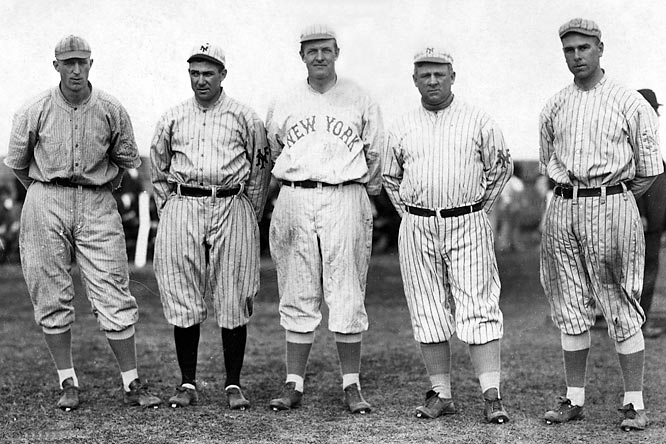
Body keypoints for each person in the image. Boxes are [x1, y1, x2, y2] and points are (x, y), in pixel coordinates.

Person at [3, 35, 162, 410]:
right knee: (50, 288)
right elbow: (18, 163)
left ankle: (131, 382)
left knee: (112, 287)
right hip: (45, 196)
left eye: (82, 62)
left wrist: (101, 189)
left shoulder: (109, 107)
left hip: (95, 199)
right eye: (68, 62)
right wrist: (44, 190)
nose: (76, 69)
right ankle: (67, 382)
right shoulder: (35, 108)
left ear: (91, 63)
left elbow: (126, 159)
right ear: (55, 65)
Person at [539, 19, 662, 431]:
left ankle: (633, 402)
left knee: (621, 303)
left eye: (584, 48)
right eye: (569, 49)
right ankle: (574, 398)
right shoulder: (555, 104)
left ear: (600, 48)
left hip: (611, 203)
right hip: (563, 204)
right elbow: (547, 164)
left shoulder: (630, 102)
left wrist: (616, 200)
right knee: (569, 305)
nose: (576, 56)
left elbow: (647, 170)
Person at [383, 46, 513, 423]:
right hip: (419, 223)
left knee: (478, 305)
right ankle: (442, 393)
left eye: (440, 73)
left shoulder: (478, 121)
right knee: (427, 309)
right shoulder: (402, 125)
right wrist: (410, 214)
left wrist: (477, 208)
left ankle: (492, 394)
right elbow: (390, 177)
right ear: (414, 79)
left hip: (467, 219)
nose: (433, 80)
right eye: (425, 74)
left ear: (453, 75)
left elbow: (500, 169)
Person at [265, 24, 383, 414]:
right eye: (311, 50)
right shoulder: (285, 100)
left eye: (325, 49)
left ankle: (351, 385)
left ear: (336, 52)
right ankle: (293, 383)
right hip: (296, 196)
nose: (319, 56)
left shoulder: (359, 97)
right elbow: (272, 149)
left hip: (344, 193)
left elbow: (376, 154)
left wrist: (364, 195)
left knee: (347, 290)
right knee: (297, 290)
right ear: (301, 55)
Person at [150, 42, 271, 410]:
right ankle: (187, 382)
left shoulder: (244, 117)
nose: (201, 80)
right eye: (195, 73)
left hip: (231, 201)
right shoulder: (173, 117)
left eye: (208, 73)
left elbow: (261, 167)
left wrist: (248, 210)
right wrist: (169, 206)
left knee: (234, 293)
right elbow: (157, 169)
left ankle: (233, 384)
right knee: (182, 292)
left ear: (223, 74)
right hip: (184, 202)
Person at [635, 89, 666, 338]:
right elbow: (634, 184)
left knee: (648, 272)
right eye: (654, 109)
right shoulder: (633, 143)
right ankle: (636, 326)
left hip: (655, 223)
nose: (656, 115)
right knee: (640, 274)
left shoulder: (649, 142)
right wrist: (641, 214)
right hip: (641, 223)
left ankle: (639, 324)